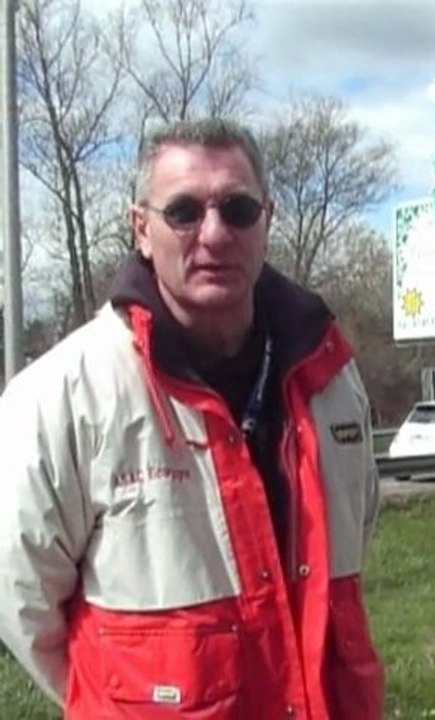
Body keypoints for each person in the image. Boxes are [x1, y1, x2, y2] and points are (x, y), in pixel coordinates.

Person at [0, 119, 383, 719]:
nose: (214, 233)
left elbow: (356, 529)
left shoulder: (331, 376)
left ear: (268, 221)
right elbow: (23, 602)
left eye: (237, 209)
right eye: (182, 211)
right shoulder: (60, 397)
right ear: (141, 231)